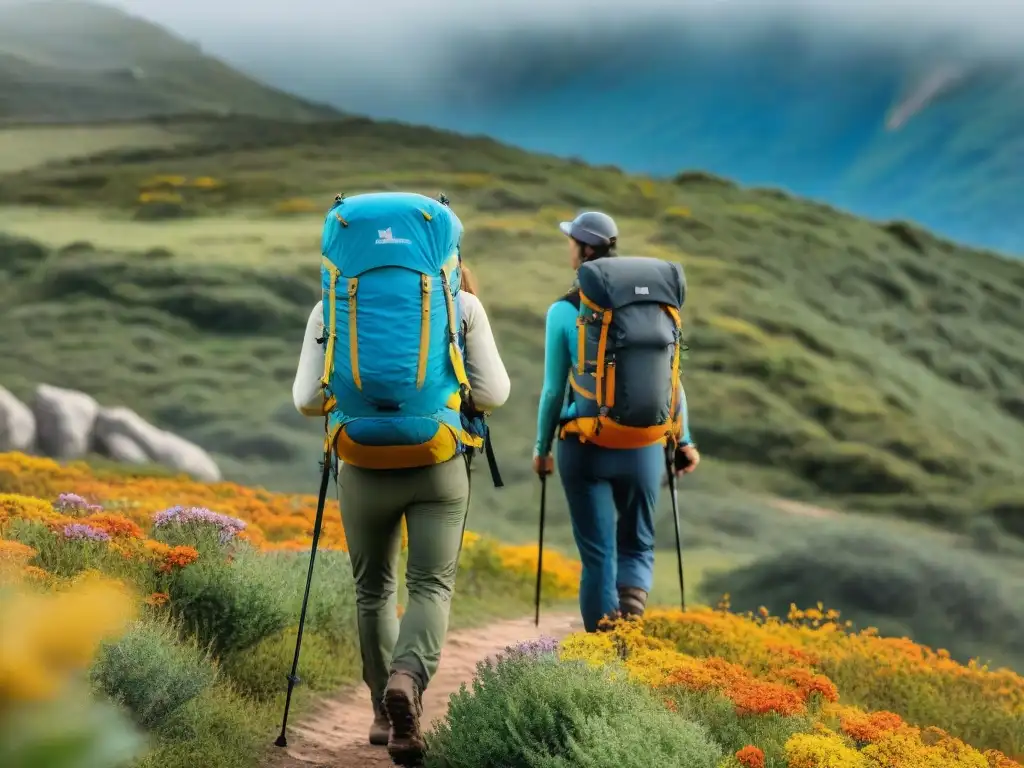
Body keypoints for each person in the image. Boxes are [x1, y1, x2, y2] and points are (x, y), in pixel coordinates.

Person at [292, 192, 510, 765]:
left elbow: (305, 402)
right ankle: (407, 684)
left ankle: (377, 711)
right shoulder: (462, 306)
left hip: (361, 462)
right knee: (431, 585)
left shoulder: (330, 307)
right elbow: (495, 394)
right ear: (444, 253)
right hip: (437, 461)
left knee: (373, 589)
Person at [532, 211, 700, 633]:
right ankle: (630, 610)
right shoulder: (654, 308)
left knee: (597, 555)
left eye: (572, 240)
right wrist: (684, 441)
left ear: (585, 249)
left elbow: (553, 390)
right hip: (644, 446)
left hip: (584, 445)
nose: (568, 246)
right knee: (638, 543)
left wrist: (541, 450)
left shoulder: (563, 310)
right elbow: (672, 381)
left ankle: (602, 646)